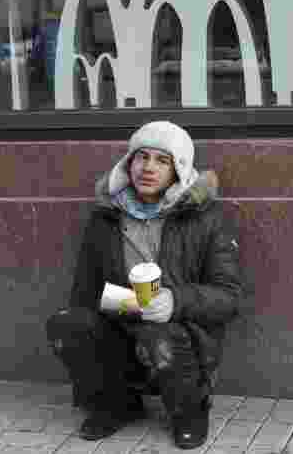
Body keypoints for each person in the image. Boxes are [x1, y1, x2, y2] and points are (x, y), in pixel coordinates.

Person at [46, 120, 242, 449]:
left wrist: (175, 301)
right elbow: (84, 291)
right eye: (141, 157)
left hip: (179, 335)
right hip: (121, 322)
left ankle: (189, 411)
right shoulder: (106, 216)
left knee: (159, 336)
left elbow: (229, 296)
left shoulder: (203, 218)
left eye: (162, 160)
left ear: (178, 169)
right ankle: (118, 403)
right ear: (128, 164)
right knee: (68, 324)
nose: (148, 168)